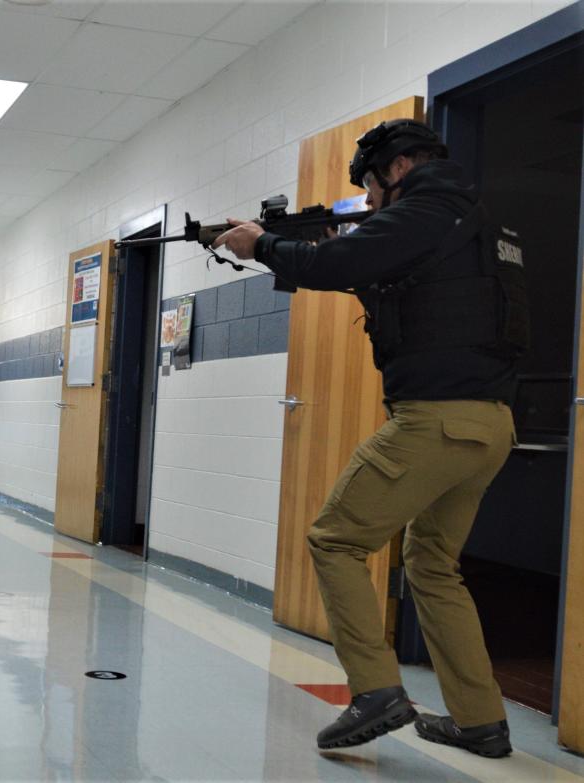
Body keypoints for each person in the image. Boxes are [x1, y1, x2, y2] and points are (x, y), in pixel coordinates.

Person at [214, 119, 528, 758]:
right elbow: (410, 288)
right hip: (489, 423)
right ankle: (480, 721)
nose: (370, 201)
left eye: (370, 187)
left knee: (334, 538)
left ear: (398, 168)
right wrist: (327, 250)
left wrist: (262, 244)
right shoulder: (478, 221)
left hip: (435, 419)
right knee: (433, 566)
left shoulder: (428, 208)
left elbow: (338, 262)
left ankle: (376, 691)